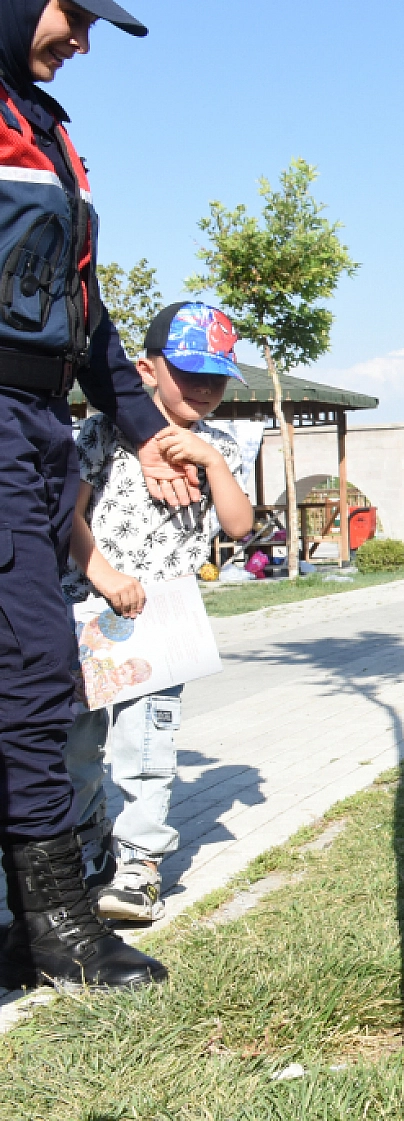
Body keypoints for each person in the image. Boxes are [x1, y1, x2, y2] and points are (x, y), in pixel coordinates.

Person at [0, 0, 200, 992]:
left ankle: (34, 925)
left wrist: (149, 427)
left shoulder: (45, 125)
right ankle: (57, 931)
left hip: (37, 428)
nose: (81, 39)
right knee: (32, 670)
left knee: (33, 679)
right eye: (72, 13)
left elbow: (87, 315)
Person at [61, 302, 254, 925]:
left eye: (217, 376)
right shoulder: (100, 433)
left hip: (166, 624)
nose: (204, 388)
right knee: (78, 745)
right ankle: (87, 853)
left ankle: (140, 862)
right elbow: (65, 518)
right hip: (90, 612)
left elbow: (240, 525)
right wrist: (107, 576)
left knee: (148, 744)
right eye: (189, 373)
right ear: (145, 369)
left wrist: (214, 462)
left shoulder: (219, 443)